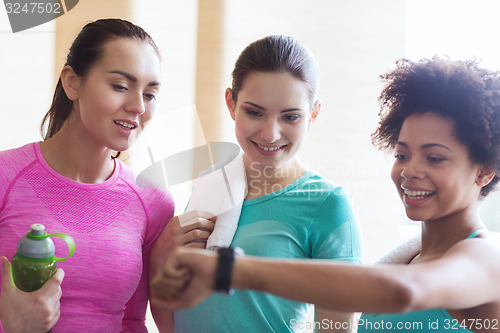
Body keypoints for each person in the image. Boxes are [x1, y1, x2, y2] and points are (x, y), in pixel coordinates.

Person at [150, 57, 500, 333]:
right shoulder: (410, 260)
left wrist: (228, 270)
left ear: (485, 170)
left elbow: (404, 292)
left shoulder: (486, 260)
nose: (410, 171)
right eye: (402, 154)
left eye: (435, 158)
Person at [150, 35, 363, 332]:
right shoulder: (210, 187)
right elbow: (177, 315)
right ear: (231, 102)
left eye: (290, 116)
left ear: (313, 114)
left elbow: (337, 328)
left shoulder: (328, 204)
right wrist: (159, 254)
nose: (270, 134)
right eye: (254, 112)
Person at [0, 18, 174, 332]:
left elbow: (133, 321)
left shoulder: (153, 201)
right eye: (120, 86)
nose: (137, 106)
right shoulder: (5, 178)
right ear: (72, 82)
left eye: (150, 95)